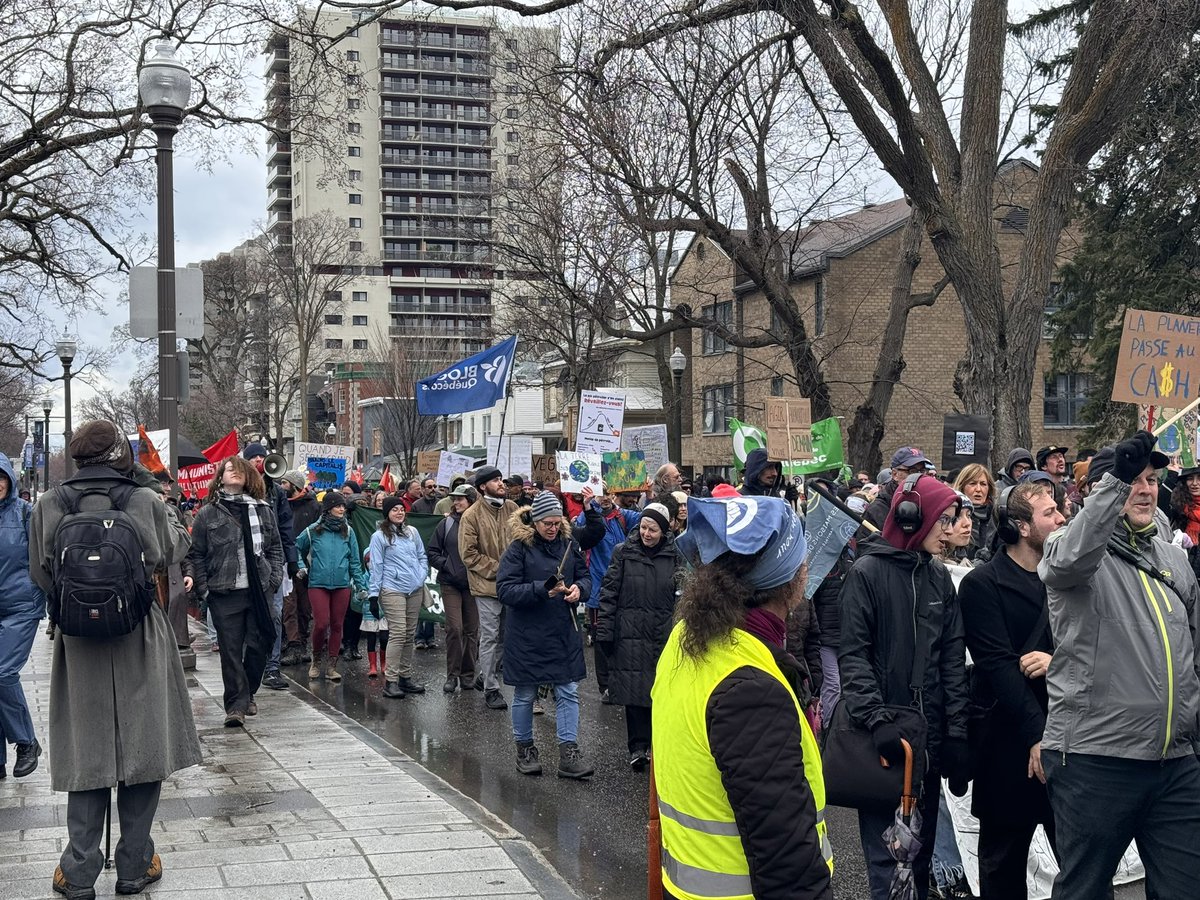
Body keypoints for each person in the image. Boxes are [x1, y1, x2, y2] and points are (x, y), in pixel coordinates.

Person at [29, 421, 201, 899]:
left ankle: (79, 869)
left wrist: (79, 604)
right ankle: (135, 863)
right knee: (143, 747)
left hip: (78, 641)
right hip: (139, 634)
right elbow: (175, 547)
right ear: (120, 456)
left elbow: (39, 573)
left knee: (87, 751)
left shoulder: (49, 503)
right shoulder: (143, 500)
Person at [1039, 432, 1200, 900]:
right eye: (1133, 480)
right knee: (1086, 891)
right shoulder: (1072, 547)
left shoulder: (1175, 559)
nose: (1145, 489)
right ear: (1106, 488)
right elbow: (1067, 563)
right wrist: (1114, 482)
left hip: (1175, 762)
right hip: (1097, 760)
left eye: (1152, 479)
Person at [655, 494, 832, 899]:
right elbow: (787, 860)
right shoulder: (749, 688)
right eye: (802, 557)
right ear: (790, 578)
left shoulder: (688, 636)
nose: (808, 567)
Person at [839, 473, 970, 899]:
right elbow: (854, 655)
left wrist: (957, 736)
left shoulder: (938, 579)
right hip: (884, 746)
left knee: (922, 857)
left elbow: (951, 661)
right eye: (944, 520)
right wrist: (877, 720)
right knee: (888, 865)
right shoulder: (865, 574)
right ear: (915, 519)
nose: (950, 531)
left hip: (927, 745)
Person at [959, 481, 1064, 899]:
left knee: (1083, 867)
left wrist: (1059, 664)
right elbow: (999, 667)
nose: (1061, 519)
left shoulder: (1068, 578)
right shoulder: (983, 584)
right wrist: (1038, 735)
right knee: (1003, 871)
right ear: (1022, 526)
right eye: (1050, 512)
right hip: (1006, 745)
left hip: (1069, 743)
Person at [496, 492, 593, 779]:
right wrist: (542, 590)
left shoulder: (569, 544)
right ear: (535, 521)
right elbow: (505, 590)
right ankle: (525, 749)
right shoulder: (518, 549)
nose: (552, 528)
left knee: (568, 691)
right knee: (525, 693)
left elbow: (585, 576)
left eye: (556, 522)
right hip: (527, 633)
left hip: (562, 630)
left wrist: (580, 590)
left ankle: (568, 753)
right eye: (547, 524)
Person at [190, 456, 285, 725]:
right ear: (220, 477)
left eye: (238, 469)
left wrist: (274, 578)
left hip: (259, 590)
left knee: (259, 645)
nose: (233, 472)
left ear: (248, 477)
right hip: (224, 591)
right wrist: (205, 589)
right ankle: (236, 707)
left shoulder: (263, 510)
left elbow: (274, 548)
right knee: (230, 651)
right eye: (228, 469)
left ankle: (247, 692)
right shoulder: (208, 513)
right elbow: (196, 553)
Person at [595, 502, 683, 770]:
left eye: (653, 529)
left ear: (663, 531)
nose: (646, 533)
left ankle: (661, 744)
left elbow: (683, 595)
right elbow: (609, 593)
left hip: (662, 631)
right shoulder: (623, 552)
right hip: (630, 632)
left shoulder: (676, 554)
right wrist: (605, 632)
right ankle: (638, 747)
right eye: (644, 527)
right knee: (635, 694)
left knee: (661, 692)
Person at [459, 466, 518, 710]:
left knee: (507, 636)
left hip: (511, 585)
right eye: (495, 480)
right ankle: (492, 688)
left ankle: (486, 673)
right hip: (486, 586)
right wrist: (499, 568)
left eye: (501, 478)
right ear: (483, 486)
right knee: (491, 636)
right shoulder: (471, 516)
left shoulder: (514, 509)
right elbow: (468, 554)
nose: (501, 483)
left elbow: (525, 539)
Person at [239, 444, 297, 693]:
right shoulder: (237, 490)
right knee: (246, 617)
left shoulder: (276, 492)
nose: (259, 460)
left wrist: (291, 559)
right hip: (245, 563)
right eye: (254, 457)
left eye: (262, 456)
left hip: (272, 562)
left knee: (274, 613)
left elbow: (285, 526)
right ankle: (250, 665)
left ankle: (272, 668)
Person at [575, 486, 640, 703]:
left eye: (608, 493)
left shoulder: (623, 516)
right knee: (602, 638)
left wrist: (650, 493)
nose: (604, 498)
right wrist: (587, 506)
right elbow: (580, 535)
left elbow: (647, 518)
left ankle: (620, 681)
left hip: (623, 586)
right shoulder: (586, 516)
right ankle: (606, 686)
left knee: (622, 636)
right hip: (598, 590)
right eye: (599, 493)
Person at [0, 452, 44, 778]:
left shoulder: (26, 513)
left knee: (2, 673)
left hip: (21, 606)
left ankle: (26, 741)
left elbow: (44, 559)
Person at [296, 491, 368, 681]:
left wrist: (360, 586)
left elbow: (354, 560)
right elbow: (296, 547)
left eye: (344, 506)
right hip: (317, 583)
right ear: (328, 508)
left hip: (342, 584)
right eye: (338, 506)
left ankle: (332, 666)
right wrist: (302, 566)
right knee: (321, 624)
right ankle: (316, 659)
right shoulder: (313, 530)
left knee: (337, 625)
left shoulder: (349, 531)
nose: (342, 509)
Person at [367, 497, 429, 698]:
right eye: (394, 509)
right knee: (398, 633)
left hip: (414, 588)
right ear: (387, 513)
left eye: (402, 509)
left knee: (409, 634)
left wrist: (421, 575)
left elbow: (422, 555)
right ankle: (391, 681)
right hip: (392, 588)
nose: (400, 513)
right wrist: (373, 595)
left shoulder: (413, 533)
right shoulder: (379, 537)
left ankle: (405, 677)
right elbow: (376, 566)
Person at [428, 484, 478, 693]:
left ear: (471, 501)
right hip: (450, 583)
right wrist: (446, 564)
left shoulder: (479, 523)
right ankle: (452, 675)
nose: (456, 502)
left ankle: (468, 675)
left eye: (461, 499)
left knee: (472, 631)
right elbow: (432, 551)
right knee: (454, 629)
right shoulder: (445, 524)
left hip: (474, 584)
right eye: (454, 499)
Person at [280, 471, 318, 666]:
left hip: (306, 566)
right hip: (285, 563)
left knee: (304, 607)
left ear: (294, 485)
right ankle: (292, 644)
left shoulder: (312, 507)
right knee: (289, 606)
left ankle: (302, 643)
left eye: (285, 483)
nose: (281, 486)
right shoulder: (280, 504)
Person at [861, 446, 934, 533]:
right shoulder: (876, 511)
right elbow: (866, 544)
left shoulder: (929, 503)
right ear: (895, 474)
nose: (918, 476)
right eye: (912, 471)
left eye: (922, 471)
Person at [953, 463, 997, 560]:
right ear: (962, 486)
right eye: (972, 483)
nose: (978, 489)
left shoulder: (997, 516)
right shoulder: (952, 513)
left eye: (983, 484)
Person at [1170, 464, 1200, 581]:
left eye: (1199, 478)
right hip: (1182, 573)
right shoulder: (1177, 507)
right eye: (1190, 478)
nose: (1195, 483)